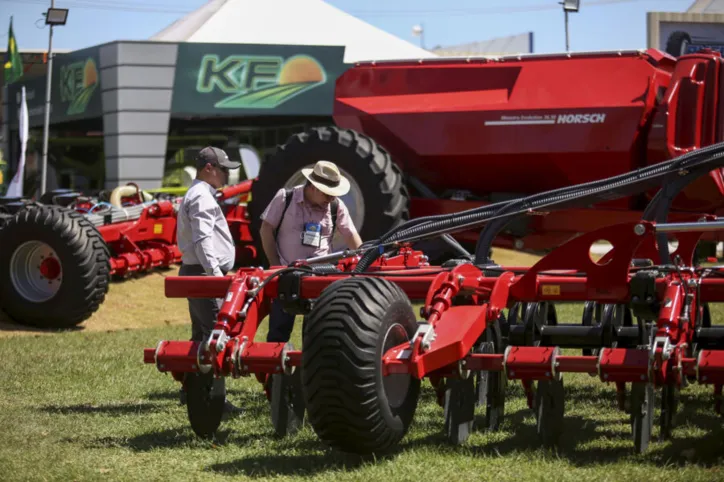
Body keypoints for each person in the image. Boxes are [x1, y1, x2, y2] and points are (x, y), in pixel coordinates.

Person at [259, 160, 363, 343]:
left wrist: (363, 261)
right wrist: (274, 264)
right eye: (328, 193)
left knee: (316, 334)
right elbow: (266, 229)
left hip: (320, 277)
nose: (331, 198)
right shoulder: (286, 197)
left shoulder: (335, 206)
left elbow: (351, 234)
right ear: (314, 186)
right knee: (278, 331)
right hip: (285, 275)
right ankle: (275, 369)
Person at [175, 146, 242, 416]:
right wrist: (215, 276)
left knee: (201, 334)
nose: (228, 174)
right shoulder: (201, 197)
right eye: (224, 169)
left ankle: (191, 391)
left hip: (196, 271)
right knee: (217, 336)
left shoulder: (199, 194)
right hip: (203, 273)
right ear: (208, 169)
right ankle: (216, 400)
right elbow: (203, 240)